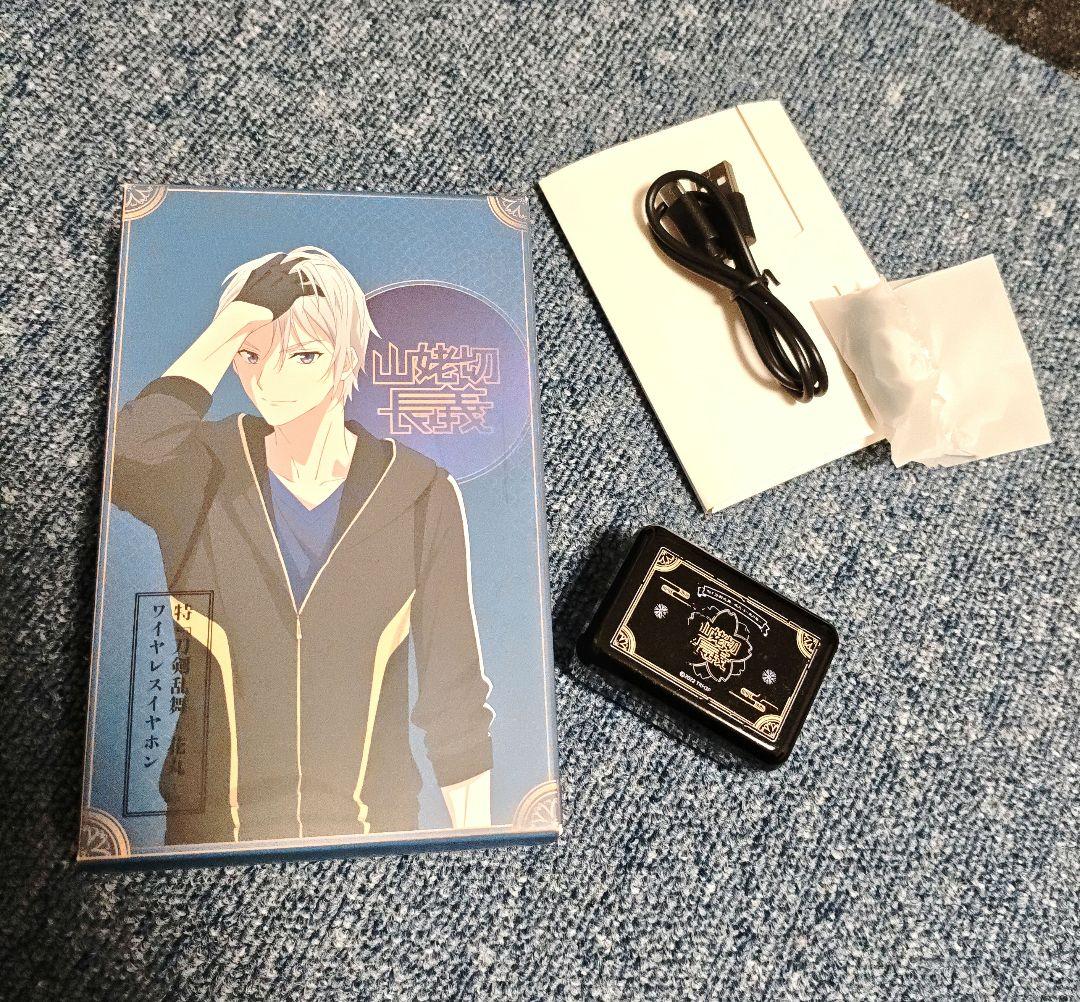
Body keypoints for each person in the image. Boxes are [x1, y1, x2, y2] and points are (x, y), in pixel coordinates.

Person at [112, 246, 494, 844]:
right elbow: (124, 458)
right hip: (207, 842)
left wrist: (481, 847)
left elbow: (455, 696)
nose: (269, 378)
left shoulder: (419, 492)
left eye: (303, 355)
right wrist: (234, 322)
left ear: (345, 359)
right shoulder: (197, 470)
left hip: (373, 836)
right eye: (250, 355)